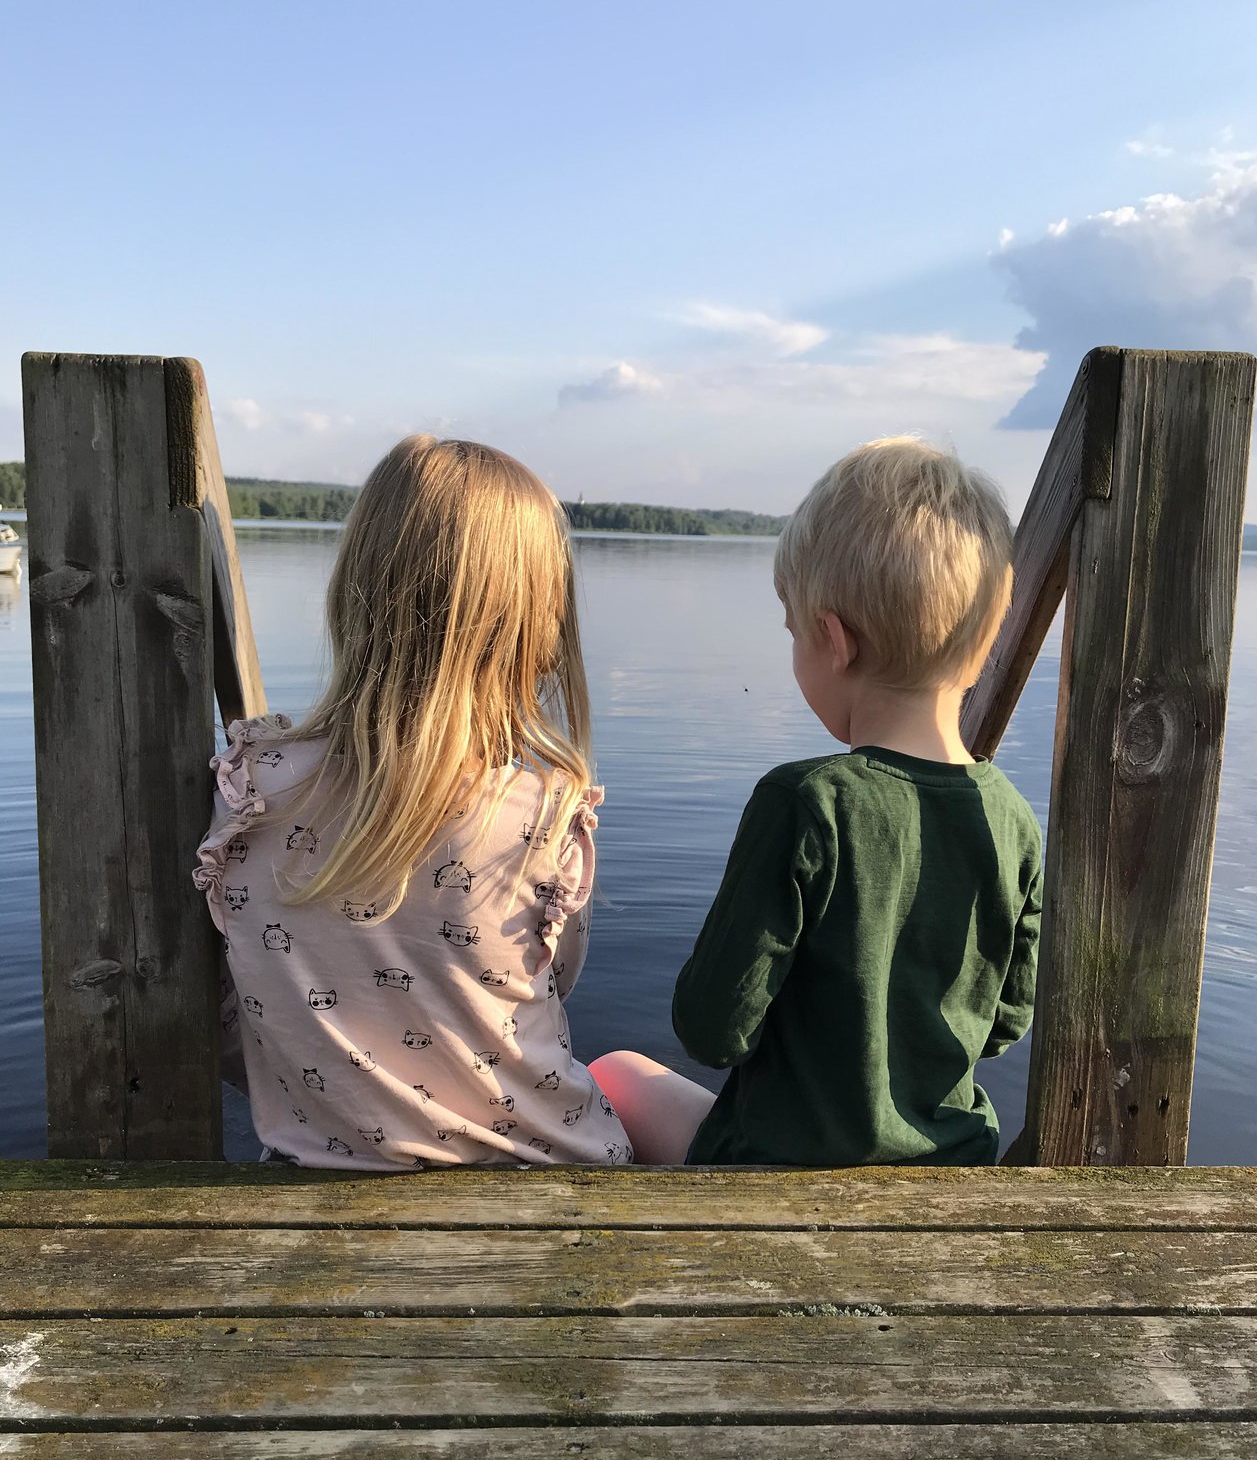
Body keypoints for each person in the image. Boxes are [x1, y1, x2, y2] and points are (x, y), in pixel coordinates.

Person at [591, 437, 1041, 1167]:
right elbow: (1003, 1025)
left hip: (778, 1171)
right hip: (950, 1166)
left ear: (834, 641)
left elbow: (711, 1031)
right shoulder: (1014, 819)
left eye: (794, 633)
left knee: (613, 1071)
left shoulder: (806, 803)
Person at [195, 436, 632, 1170]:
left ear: (351, 591)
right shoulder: (544, 816)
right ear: (537, 629)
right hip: (549, 1172)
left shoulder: (251, 792)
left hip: (325, 1170)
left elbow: (233, 1009)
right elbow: (547, 988)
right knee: (631, 1073)